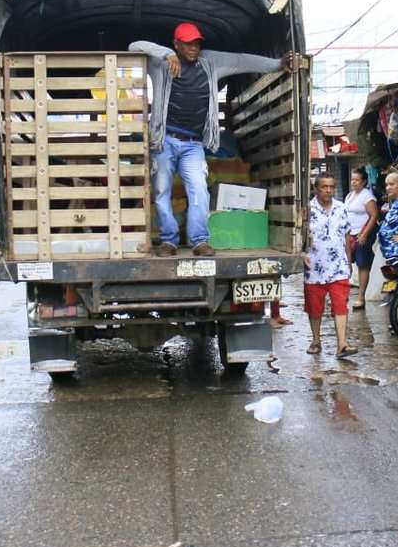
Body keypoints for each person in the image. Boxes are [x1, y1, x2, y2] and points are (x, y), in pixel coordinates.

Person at [131, 23, 298, 258]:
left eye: (197, 42)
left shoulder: (210, 62)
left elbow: (242, 61)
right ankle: (169, 242)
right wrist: (165, 54)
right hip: (165, 140)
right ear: (176, 44)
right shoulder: (160, 64)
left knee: (199, 189)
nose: (194, 47)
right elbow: (134, 45)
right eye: (188, 43)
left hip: (193, 144)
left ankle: (199, 241)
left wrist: (278, 64)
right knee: (161, 190)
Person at [303, 172, 357, 358]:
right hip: (314, 266)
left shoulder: (342, 208)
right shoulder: (307, 210)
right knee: (315, 307)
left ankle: (342, 344)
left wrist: (349, 261)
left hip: (338, 266)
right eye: (324, 187)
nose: (329, 190)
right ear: (316, 189)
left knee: (341, 304)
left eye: (332, 187)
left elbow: (346, 235)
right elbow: (298, 236)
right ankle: (316, 340)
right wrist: (301, 254)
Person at [345, 167, 380, 309]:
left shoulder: (367, 196)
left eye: (357, 180)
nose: (354, 182)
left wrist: (364, 234)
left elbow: (374, 215)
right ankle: (344, 294)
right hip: (350, 234)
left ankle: (361, 297)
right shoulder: (349, 195)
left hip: (362, 234)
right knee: (347, 264)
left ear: (364, 182)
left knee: (362, 265)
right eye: (352, 179)